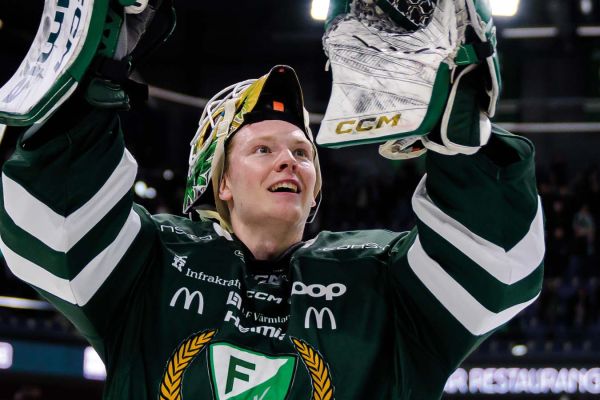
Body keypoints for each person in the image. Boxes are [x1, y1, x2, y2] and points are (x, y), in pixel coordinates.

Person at [0, 0, 544, 398]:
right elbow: (52, 230)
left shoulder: (382, 276)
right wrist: (95, 77)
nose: (290, 161)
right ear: (221, 182)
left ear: (316, 190)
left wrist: (460, 142)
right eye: (262, 149)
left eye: (303, 152)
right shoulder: (151, 264)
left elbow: (497, 272)